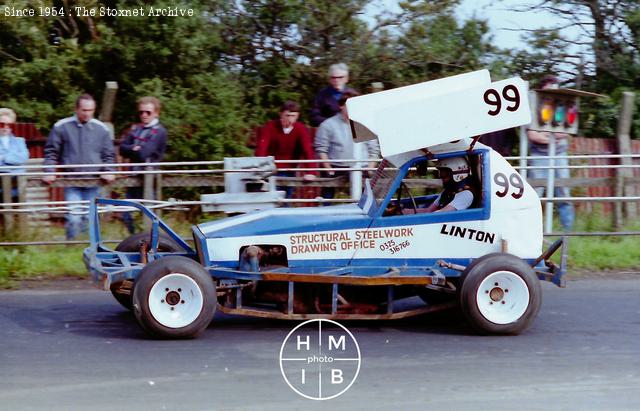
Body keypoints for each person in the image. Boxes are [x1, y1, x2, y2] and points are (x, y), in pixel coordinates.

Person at [43, 94, 116, 240]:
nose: (87, 113)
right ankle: (73, 247)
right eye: (84, 110)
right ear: (76, 109)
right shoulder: (61, 127)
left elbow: (108, 154)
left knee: (90, 218)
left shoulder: (101, 129)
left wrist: (109, 171)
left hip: (94, 181)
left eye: (91, 110)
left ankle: (89, 248)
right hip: (71, 180)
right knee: (74, 217)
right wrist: (49, 171)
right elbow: (51, 152)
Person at [527, 75, 574, 231]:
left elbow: (565, 132)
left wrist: (546, 135)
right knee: (535, 194)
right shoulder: (534, 109)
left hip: (559, 154)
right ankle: (532, 229)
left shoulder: (562, 107)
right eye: (547, 91)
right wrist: (551, 136)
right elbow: (533, 135)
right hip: (539, 155)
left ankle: (567, 232)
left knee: (564, 192)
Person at [314, 90, 380, 200]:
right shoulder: (328, 125)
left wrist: (369, 168)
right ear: (341, 106)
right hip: (337, 167)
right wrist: (329, 169)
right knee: (327, 197)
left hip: (361, 168)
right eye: (349, 105)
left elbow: (374, 150)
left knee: (367, 199)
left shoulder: (365, 124)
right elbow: (321, 150)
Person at [119, 96, 168, 233]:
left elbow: (144, 154)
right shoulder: (137, 129)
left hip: (149, 178)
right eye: (141, 112)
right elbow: (122, 149)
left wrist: (133, 148)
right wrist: (134, 148)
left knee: (149, 214)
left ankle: (152, 242)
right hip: (134, 177)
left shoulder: (159, 131)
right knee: (127, 213)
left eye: (148, 112)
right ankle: (133, 240)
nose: (144, 115)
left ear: (156, 113)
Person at [255, 101, 316, 199]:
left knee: (286, 199)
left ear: (297, 116)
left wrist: (311, 172)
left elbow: (307, 150)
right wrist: (260, 168)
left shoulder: (301, 129)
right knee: (271, 199)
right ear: (281, 114)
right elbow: (262, 148)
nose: (289, 119)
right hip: (270, 170)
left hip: (290, 170)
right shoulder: (270, 127)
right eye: (287, 115)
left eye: (293, 116)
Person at [310, 63, 357, 127]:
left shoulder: (353, 94)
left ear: (346, 79)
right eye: (333, 77)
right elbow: (314, 116)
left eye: (340, 77)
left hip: (350, 130)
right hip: (329, 130)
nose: (336, 80)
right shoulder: (322, 94)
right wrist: (332, 124)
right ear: (329, 79)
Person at [0, 108, 29, 175]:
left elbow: (23, 158)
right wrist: (13, 160)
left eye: (9, 125)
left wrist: (3, 158)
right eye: (2, 124)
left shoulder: (20, 141)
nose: (5, 127)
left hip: (17, 180)